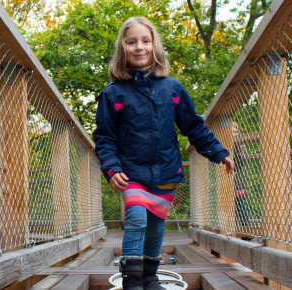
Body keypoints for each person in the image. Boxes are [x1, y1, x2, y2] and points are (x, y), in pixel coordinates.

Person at [93, 16, 234, 290]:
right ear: (123, 47)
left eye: (145, 41)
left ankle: (150, 277)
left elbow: (193, 126)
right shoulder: (113, 93)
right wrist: (111, 168)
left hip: (166, 172)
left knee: (157, 227)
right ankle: (132, 281)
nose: (139, 47)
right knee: (135, 217)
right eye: (131, 41)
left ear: (155, 46)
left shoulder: (173, 88)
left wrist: (218, 152)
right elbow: (104, 137)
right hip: (131, 172)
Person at [232, 122, 249, 229]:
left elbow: (243, 159)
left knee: (239, 204)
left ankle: (245, 226)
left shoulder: (240, 144)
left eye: (235, 132)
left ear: (238, 133)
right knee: (229, 206)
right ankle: (233, 228)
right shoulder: (224, 143)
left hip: (237, 179)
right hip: (226, 180)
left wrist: (235, 149)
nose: (233, 134)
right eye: (231, 132)